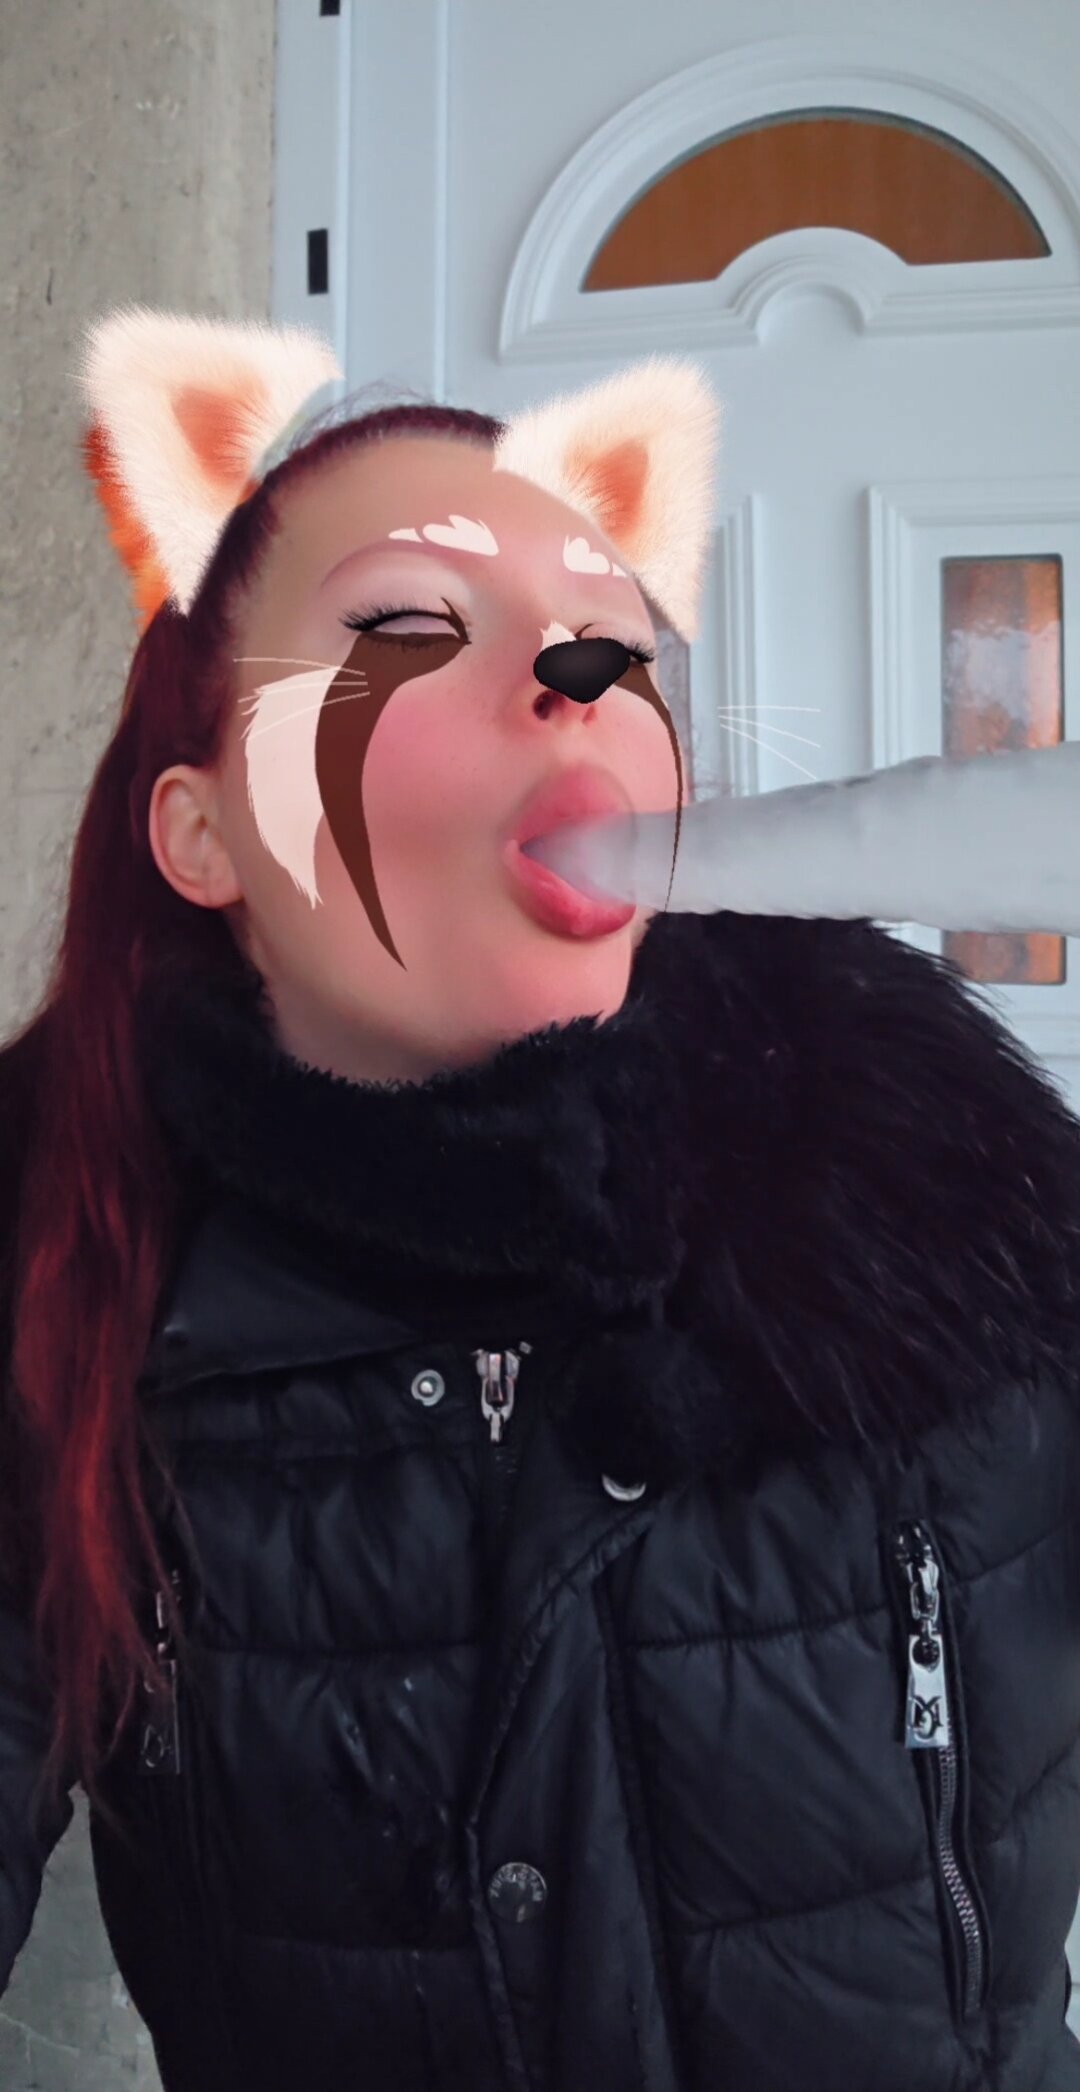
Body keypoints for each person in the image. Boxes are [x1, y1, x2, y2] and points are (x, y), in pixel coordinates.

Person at [0, 309, 1078, 2092]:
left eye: (615, 636)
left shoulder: (954, 1204)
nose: (576, 667)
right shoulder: (62, 1284)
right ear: (203, 834)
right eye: (407, 627)